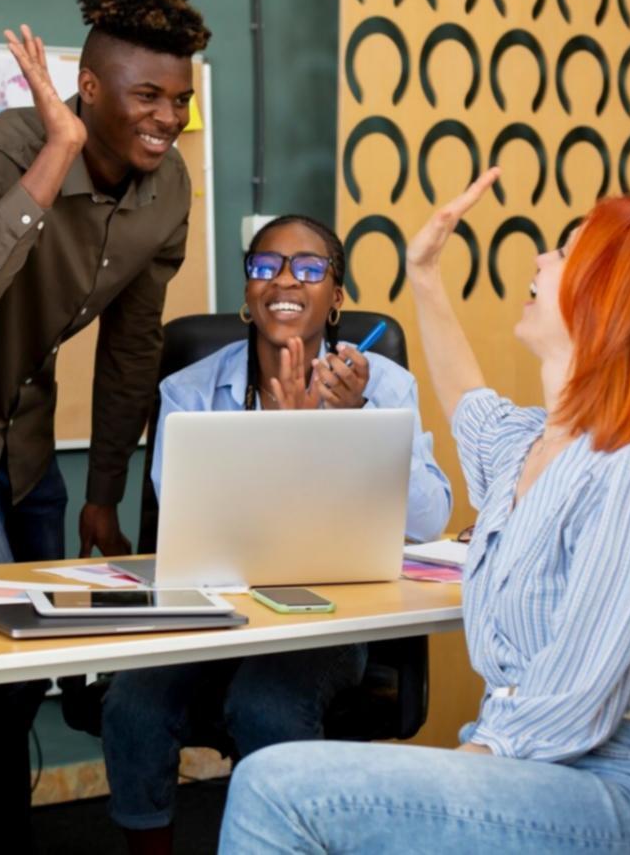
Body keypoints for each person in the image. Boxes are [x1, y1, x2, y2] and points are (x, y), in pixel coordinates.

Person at [220, 170, 630, 854]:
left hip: (616, 786)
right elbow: (465, 396)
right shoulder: (530, 443)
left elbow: (574, 700)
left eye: (566, 253)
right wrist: (422, 271)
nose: (541, 260)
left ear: (609, 300)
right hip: (529, 766)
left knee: (274, 786)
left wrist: (456, 766)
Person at [0, 0, 210, 848]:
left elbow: (130, 349)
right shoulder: (3, 149)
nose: (167, 117)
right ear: (87, 88)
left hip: (32, 442)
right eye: (147, 95)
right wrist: (58, 153)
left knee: (34, 657)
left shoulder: (168, 188)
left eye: (180, 101)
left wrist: (103, 492)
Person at [102, 213, 451, 854]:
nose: (284, 280)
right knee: (133, 705)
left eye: (309, 268)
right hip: (212, 613)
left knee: (264, 705)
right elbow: (181, 511)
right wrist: (286, 439)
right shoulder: (189, 390)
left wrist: (349, 428)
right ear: (247, 290)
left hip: (325, 617)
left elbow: (430, 521)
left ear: (337, 295)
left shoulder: (384, 385)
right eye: (265, 266)